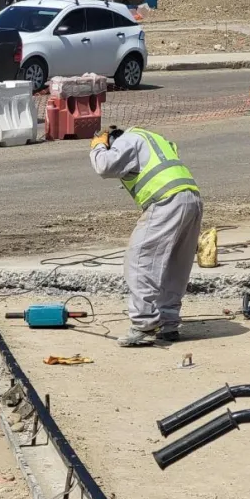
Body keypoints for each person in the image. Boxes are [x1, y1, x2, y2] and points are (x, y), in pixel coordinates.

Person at [90, 125, 203, 347]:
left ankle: (144, 324)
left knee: (139, 260)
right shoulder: (153, 138)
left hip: (166, 201)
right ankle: (168, 323)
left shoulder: (127, 140)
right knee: (174, 264)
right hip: (191, 199)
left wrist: (97, 147)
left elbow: (104, 167)